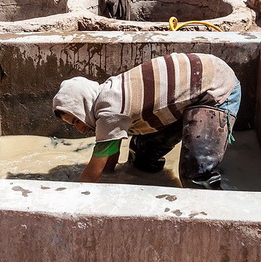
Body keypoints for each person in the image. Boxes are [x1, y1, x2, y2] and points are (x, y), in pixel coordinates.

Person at [52, 53, 241, 189]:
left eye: (77, 121)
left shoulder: (110, 110)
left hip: (216, 86)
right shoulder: (107, 94)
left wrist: (74, 197)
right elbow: (110, 155)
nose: (80, 129)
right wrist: (111, 177)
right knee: (142, 156)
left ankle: (214, 219)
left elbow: (92, 176)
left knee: (196, 175)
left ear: (84, 105)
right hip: (189, 93)